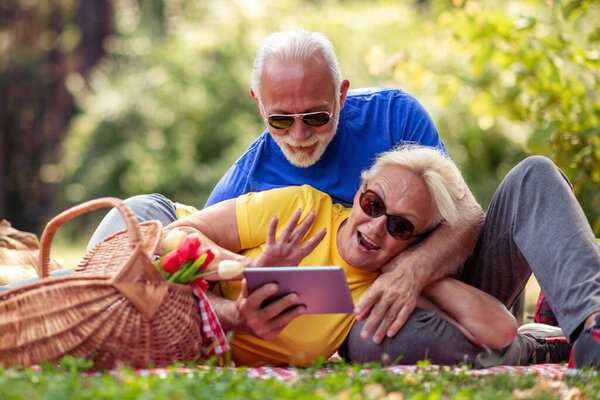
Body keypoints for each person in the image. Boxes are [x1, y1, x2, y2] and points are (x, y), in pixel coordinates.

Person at [85, 29, 484, 349]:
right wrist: (245, 277)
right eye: (279, 120)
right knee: (121, 249)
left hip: (415, 284)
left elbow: (467, 215)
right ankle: (65, 300)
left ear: (341, 96)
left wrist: (412, 271)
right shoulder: (249, 177)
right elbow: (193, 262)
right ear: (258, 103)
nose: (298, 136)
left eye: (316, 116)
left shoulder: (395, 117)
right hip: (171, 225)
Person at [163, 145, 518, 366]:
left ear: (416, 240)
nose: (377, 227)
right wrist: (247, 268)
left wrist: (414, 269)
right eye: (373, 204)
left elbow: (501, 330)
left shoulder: (384, 288)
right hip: (153, 243)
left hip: (184, 337)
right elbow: (172, 236)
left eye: (400, 227)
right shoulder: (302, 208)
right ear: (360, 189)